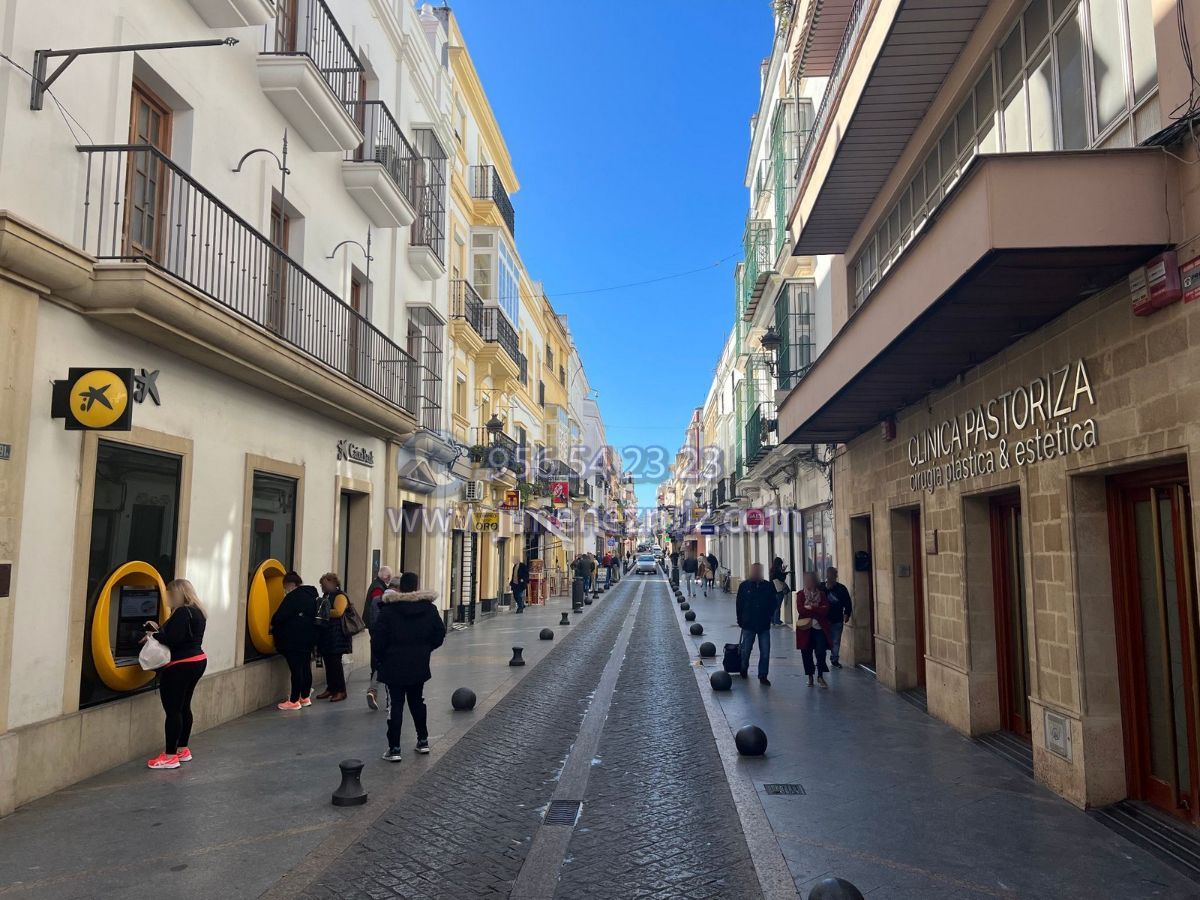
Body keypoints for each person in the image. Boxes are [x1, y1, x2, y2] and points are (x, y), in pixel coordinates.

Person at [371, 572, 447, 761]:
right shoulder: (428, 609)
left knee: (395, 704)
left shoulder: (388, 610)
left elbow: (378, 639)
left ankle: (394, 748)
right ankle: (423, 741)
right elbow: (440, 632)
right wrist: (426, 649)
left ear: (399, 587)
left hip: (393, 663)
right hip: (418, 662)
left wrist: (381, 659)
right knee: (417, 701)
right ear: (417, 586)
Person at [144, 579, 207, 770]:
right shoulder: (198, 612)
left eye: (169, 594)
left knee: (173, 710)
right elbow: (184, 636)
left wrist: (153, 635)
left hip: (180, 664)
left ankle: (170, 755)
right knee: (184, 706)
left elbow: (173, 639)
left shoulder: (181, 612)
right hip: (198, 660)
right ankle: (182, 749)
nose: (167, 598)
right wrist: (159, 629)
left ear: (177, 594)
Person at [271, 571, 319, 710]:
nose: (285, 590)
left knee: (296, 669)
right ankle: (305, 698)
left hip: (294, 639)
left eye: (285, 586)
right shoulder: (311, 595)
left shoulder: (293, 597)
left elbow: (279, 616)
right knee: (305, 667)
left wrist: (273, 623)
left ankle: (293, 701)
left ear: (291, 584)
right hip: (308, 637)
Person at [735, 562, 777, 685]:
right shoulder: (744, 586)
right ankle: (743, 668)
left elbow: (773, 603)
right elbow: (739, 604)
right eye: (754, 571)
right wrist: (740, 620)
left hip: (763, 624)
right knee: (746, 649)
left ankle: (763, 675)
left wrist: (768, 615)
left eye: (758, 571)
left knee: (765, 651)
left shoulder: (768, 586)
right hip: (748, 624)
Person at [314, 573, 352, 702]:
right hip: (327, 634)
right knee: (329, 663)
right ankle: (331, 688)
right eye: (321, 585)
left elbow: (338, 612)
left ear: (333, 583)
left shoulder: (340, 596)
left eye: (324, 584)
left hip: (337, 635)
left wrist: (322, 611)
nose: (322, 587)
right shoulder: (327, 595)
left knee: (335, 664)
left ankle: (341, 691)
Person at [796, 571, 833, 687]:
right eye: (806, 580)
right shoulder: (801, 595)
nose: (808, 582)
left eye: (810, 580)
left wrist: (811, 607)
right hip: (805, 628)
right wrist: (816, 607)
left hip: (819, 628)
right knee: (806, 652)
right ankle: (810, 676)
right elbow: (801, 610)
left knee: (821, 651)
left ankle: (820, 676)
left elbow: (825, 609)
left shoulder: (821, 595)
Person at [363, 565, 392, 711]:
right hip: (383, 635)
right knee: (387, 666)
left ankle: (373, 690)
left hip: (378, 633)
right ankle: (389, 700)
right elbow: (377, 612)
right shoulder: (379, 590)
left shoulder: (377, 586)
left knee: (379, 664)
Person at [824, 566, 854, 669]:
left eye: (833, 574)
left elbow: (847, 602)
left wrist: (847, 613)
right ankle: (822, 660)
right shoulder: (822, 587)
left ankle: (834, 659)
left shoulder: (841, 588)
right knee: (823, 641)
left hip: (837, 619)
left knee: (836, 641)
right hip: (824, 620)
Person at [769, 557, 790, 627]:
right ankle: (777, 621)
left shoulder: (772, 570)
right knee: (778, 606)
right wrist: (784, 573)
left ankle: (773, 620)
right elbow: (781, 578)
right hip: (778, 590)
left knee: (774, 606)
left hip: (772, 591)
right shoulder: (777, 571)